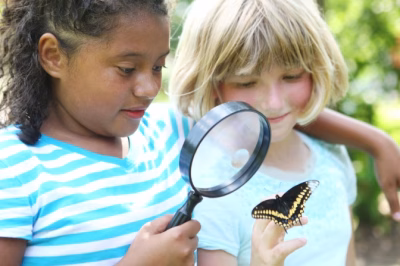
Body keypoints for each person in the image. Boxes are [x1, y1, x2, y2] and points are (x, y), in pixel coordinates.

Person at [167, 0, 400, 265]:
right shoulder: (216, 190)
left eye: (291, 76)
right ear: (212, 86)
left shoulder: (331, 155)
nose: (274, 102)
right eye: (247, 82)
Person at [0, 1, 201, 265]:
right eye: (127, 69)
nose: (149, 89)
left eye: (157, 67)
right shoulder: (12, 170)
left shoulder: (173, 132)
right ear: (53, 56)